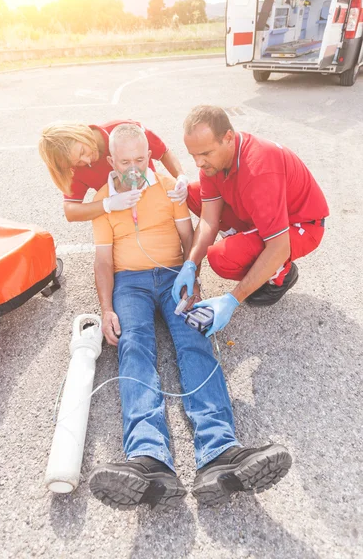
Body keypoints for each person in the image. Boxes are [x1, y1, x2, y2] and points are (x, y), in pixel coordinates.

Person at [88, 123, 292, 509]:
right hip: (128, 282)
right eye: (124, 161)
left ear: (149, 157)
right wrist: (107, 307)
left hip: (170, 276)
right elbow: (101, 260)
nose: (133, 167)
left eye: (139, 159)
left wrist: (192, 278)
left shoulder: (168, 187)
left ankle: (220, 453)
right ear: (112, 162)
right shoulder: (104, 200)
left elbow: (187, 236)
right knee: (134, 348)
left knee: (194, 340)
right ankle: (148, 460)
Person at [172, 105, 329, 338]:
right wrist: (191, 265)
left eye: (205, 154)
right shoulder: (214, 164)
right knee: (193, 193)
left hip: (300, 226)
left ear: (228, 138)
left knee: (222, 257)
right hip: (266, 212)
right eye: (193, 155)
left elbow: (279, 245)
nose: (198, 163)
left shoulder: (259, 170)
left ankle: (281, 274)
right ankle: (252, 247)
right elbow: (208, 220)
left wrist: (233, 299)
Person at [38, 119, 189, 223]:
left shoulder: (124, 130)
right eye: (78, 162)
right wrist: (108, 204)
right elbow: (70, 211)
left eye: (83, 151)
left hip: (153, 201)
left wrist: (180, 176)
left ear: (81, 133)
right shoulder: (75, 168)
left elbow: (163, 152)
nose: (87, 161)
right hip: (121, 217)